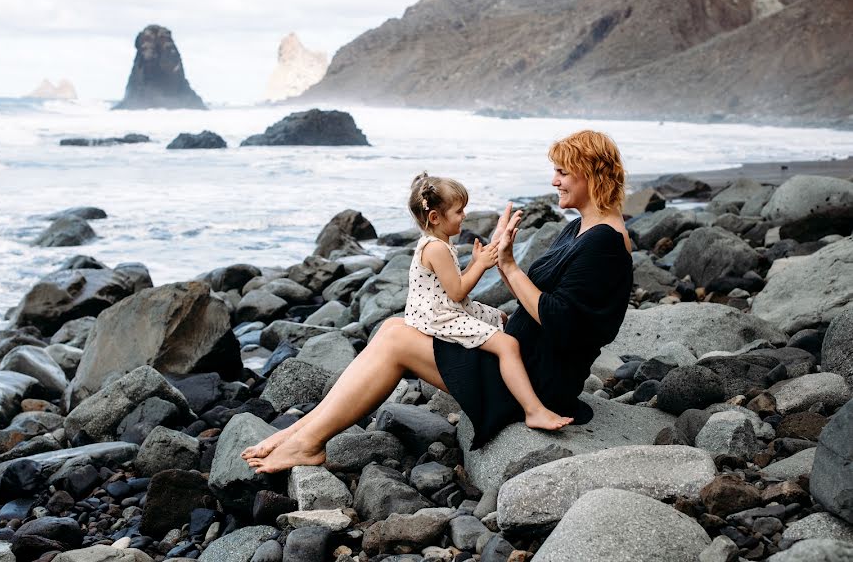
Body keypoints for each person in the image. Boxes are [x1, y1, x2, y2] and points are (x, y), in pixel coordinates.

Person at [241, 129, 633, 473]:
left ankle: (308, 443)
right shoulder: (580, 230)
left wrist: (509, 267)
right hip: (519, 360)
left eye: (562, 172)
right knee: (394, 326)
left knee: (396, 339)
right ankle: (300, 431)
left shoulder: (606, 243)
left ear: (592, 173)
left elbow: (561, 321)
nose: (554, 181)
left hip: (534, 381)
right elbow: (543, 302)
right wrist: (501, 266)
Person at [405, 172, 572, 431]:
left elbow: (451, 281)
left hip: (445, 306)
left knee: (500, 318)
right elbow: (457, 292)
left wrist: (474, 261)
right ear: (435, 217)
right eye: (459, 211)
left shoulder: (439, 242)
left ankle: (504, 375)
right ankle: (533, 410)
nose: (465, 216)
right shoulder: (435, 248)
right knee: (507, 345)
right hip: (440, 314)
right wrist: (481, 265)